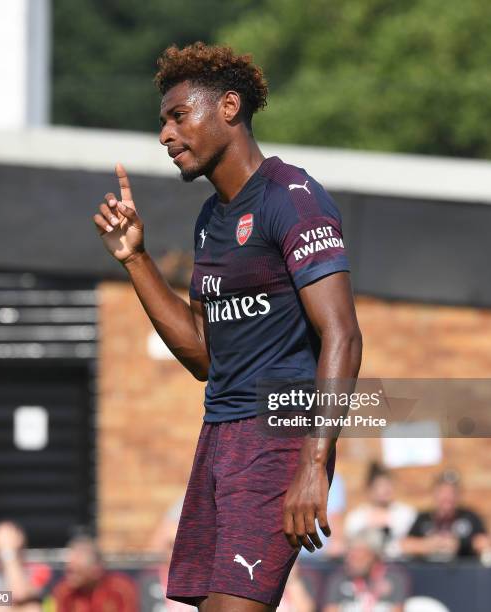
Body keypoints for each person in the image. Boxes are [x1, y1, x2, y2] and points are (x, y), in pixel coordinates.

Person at [93, 41, 362, 611]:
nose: (165, 135)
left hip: (278, 436)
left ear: (229, 108)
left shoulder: (293, 199)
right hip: (218, 438)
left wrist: (314, 465)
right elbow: (202, 358)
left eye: (178, 116)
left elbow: (343, 334)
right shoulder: (210, 220)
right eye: (162, 122)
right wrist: (135, 260)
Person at [401, 469, 491, 560]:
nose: (448, 497)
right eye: (443, 492)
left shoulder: (469, 517)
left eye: (452, 492)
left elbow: (485, 542)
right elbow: (405, 544)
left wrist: (460, 544)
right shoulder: (424, 518)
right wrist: (428, 545)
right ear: (435, 494)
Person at [0, 521, 51, 612]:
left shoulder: (39, 569)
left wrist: (8, 553)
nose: (4, 541)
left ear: (20, 540)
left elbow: (19, 593)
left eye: (8, 538)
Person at [324, 530, 409, 612]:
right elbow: (330, 609)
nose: (353, 563)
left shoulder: (393, 578)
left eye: (359, 558)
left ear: (374, 556)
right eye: (351, 557)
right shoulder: (339, 578)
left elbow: (398, 609)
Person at [344, 463, 416, 559]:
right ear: (370, 489)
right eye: (380, 485)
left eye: (388, 484)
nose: (385, 490)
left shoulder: (406, 513)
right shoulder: (356, 517)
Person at [52, 535, 138, 612]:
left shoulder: (120, 589)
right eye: (69, 571)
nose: (70, 577)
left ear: (96, 570)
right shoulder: (64, 592)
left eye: (76, 572)